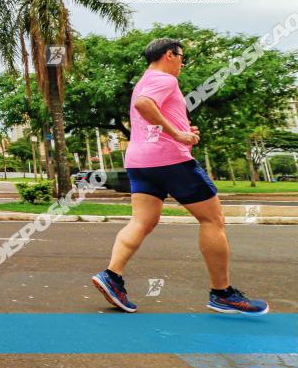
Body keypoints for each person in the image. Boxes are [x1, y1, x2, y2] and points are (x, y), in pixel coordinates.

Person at [92, 38, 268, 315]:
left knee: (142, 221)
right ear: (168, 55)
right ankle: (222, 293)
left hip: (140, 162)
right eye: (181, 57)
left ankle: (112, 277)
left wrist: (183, 127)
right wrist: (177, 134)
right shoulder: (164, 79)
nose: (182, 64)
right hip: (169, 159)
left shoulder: (144, 80)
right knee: (212, 219)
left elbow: (149, 109)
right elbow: (143, 105)